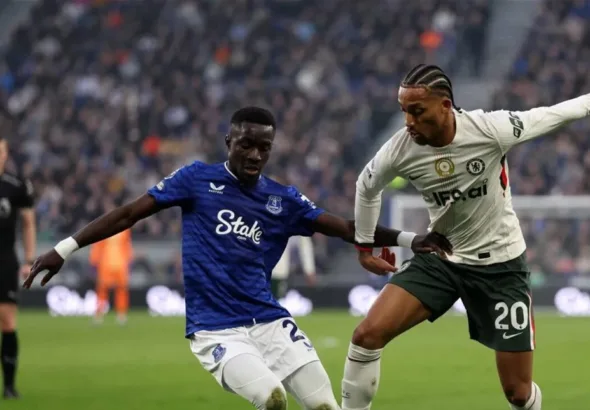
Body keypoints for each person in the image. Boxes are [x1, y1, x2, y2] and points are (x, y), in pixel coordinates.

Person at [24, 107, 452, 410]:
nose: (255, 155)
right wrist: (64, 248)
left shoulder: (282, 199)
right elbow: (129, 213)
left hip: (269, 320)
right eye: (246, 145)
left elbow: (343, 227)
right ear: (229, 142)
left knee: (325, 406)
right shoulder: (195, 180)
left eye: (264, 148)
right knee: (273, 400)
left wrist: (411, 238)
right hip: (216, 329)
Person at [342, 64, 590, 410]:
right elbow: (366, 187)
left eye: (417, 111)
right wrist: (365, 245)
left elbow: (552, 114)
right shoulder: (400, 148)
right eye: (404, 111)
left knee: (518, 393)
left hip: (502, 267)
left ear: (445, 106)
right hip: (442, 259)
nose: (408, 122)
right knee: (366, 335)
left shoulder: (490, 129)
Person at [0, 136, 36, 399]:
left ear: (6, 154)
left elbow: (28, 223)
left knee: (7, 320)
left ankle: (9, 387)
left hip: (4, 259)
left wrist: (28, 259)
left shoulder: (17, 186)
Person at [89, 227, 133, 325]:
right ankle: (99, 314)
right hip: (105, 265)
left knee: (122, 290)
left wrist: (129, 261)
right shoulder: (103, 228)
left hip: (121, 265)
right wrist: (94, 262)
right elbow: (97, 246)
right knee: (102, 290)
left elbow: (127, 246)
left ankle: (121, 315)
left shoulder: (125, 230)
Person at [271, 236, 317, 300]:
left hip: (279, 272)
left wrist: (309, 270)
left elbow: (305, 245)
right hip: (267, 269)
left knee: (277, 299)